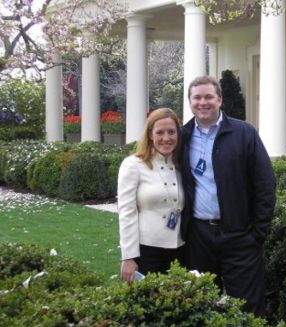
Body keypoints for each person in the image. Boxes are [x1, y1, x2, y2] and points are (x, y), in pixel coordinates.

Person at [180, 76, 276, 316]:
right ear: (190, 102)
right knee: (201, 305)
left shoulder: (244, 133)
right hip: (199, 238)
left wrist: (257, 233)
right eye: (197, 97)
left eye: (209, 97)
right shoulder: (182, 137)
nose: (203, 102)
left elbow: (265, 185)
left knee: (247, 308)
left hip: (239, 236)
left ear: (220, 99)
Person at [118, 108, 185, 283]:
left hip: (181, 250)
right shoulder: (133, 165)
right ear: (150, 134)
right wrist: (128, 257)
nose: (166, 138)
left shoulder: (181, 165)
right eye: (160, 132)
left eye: (171, 132)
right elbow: (126, 213)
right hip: (146, 251)